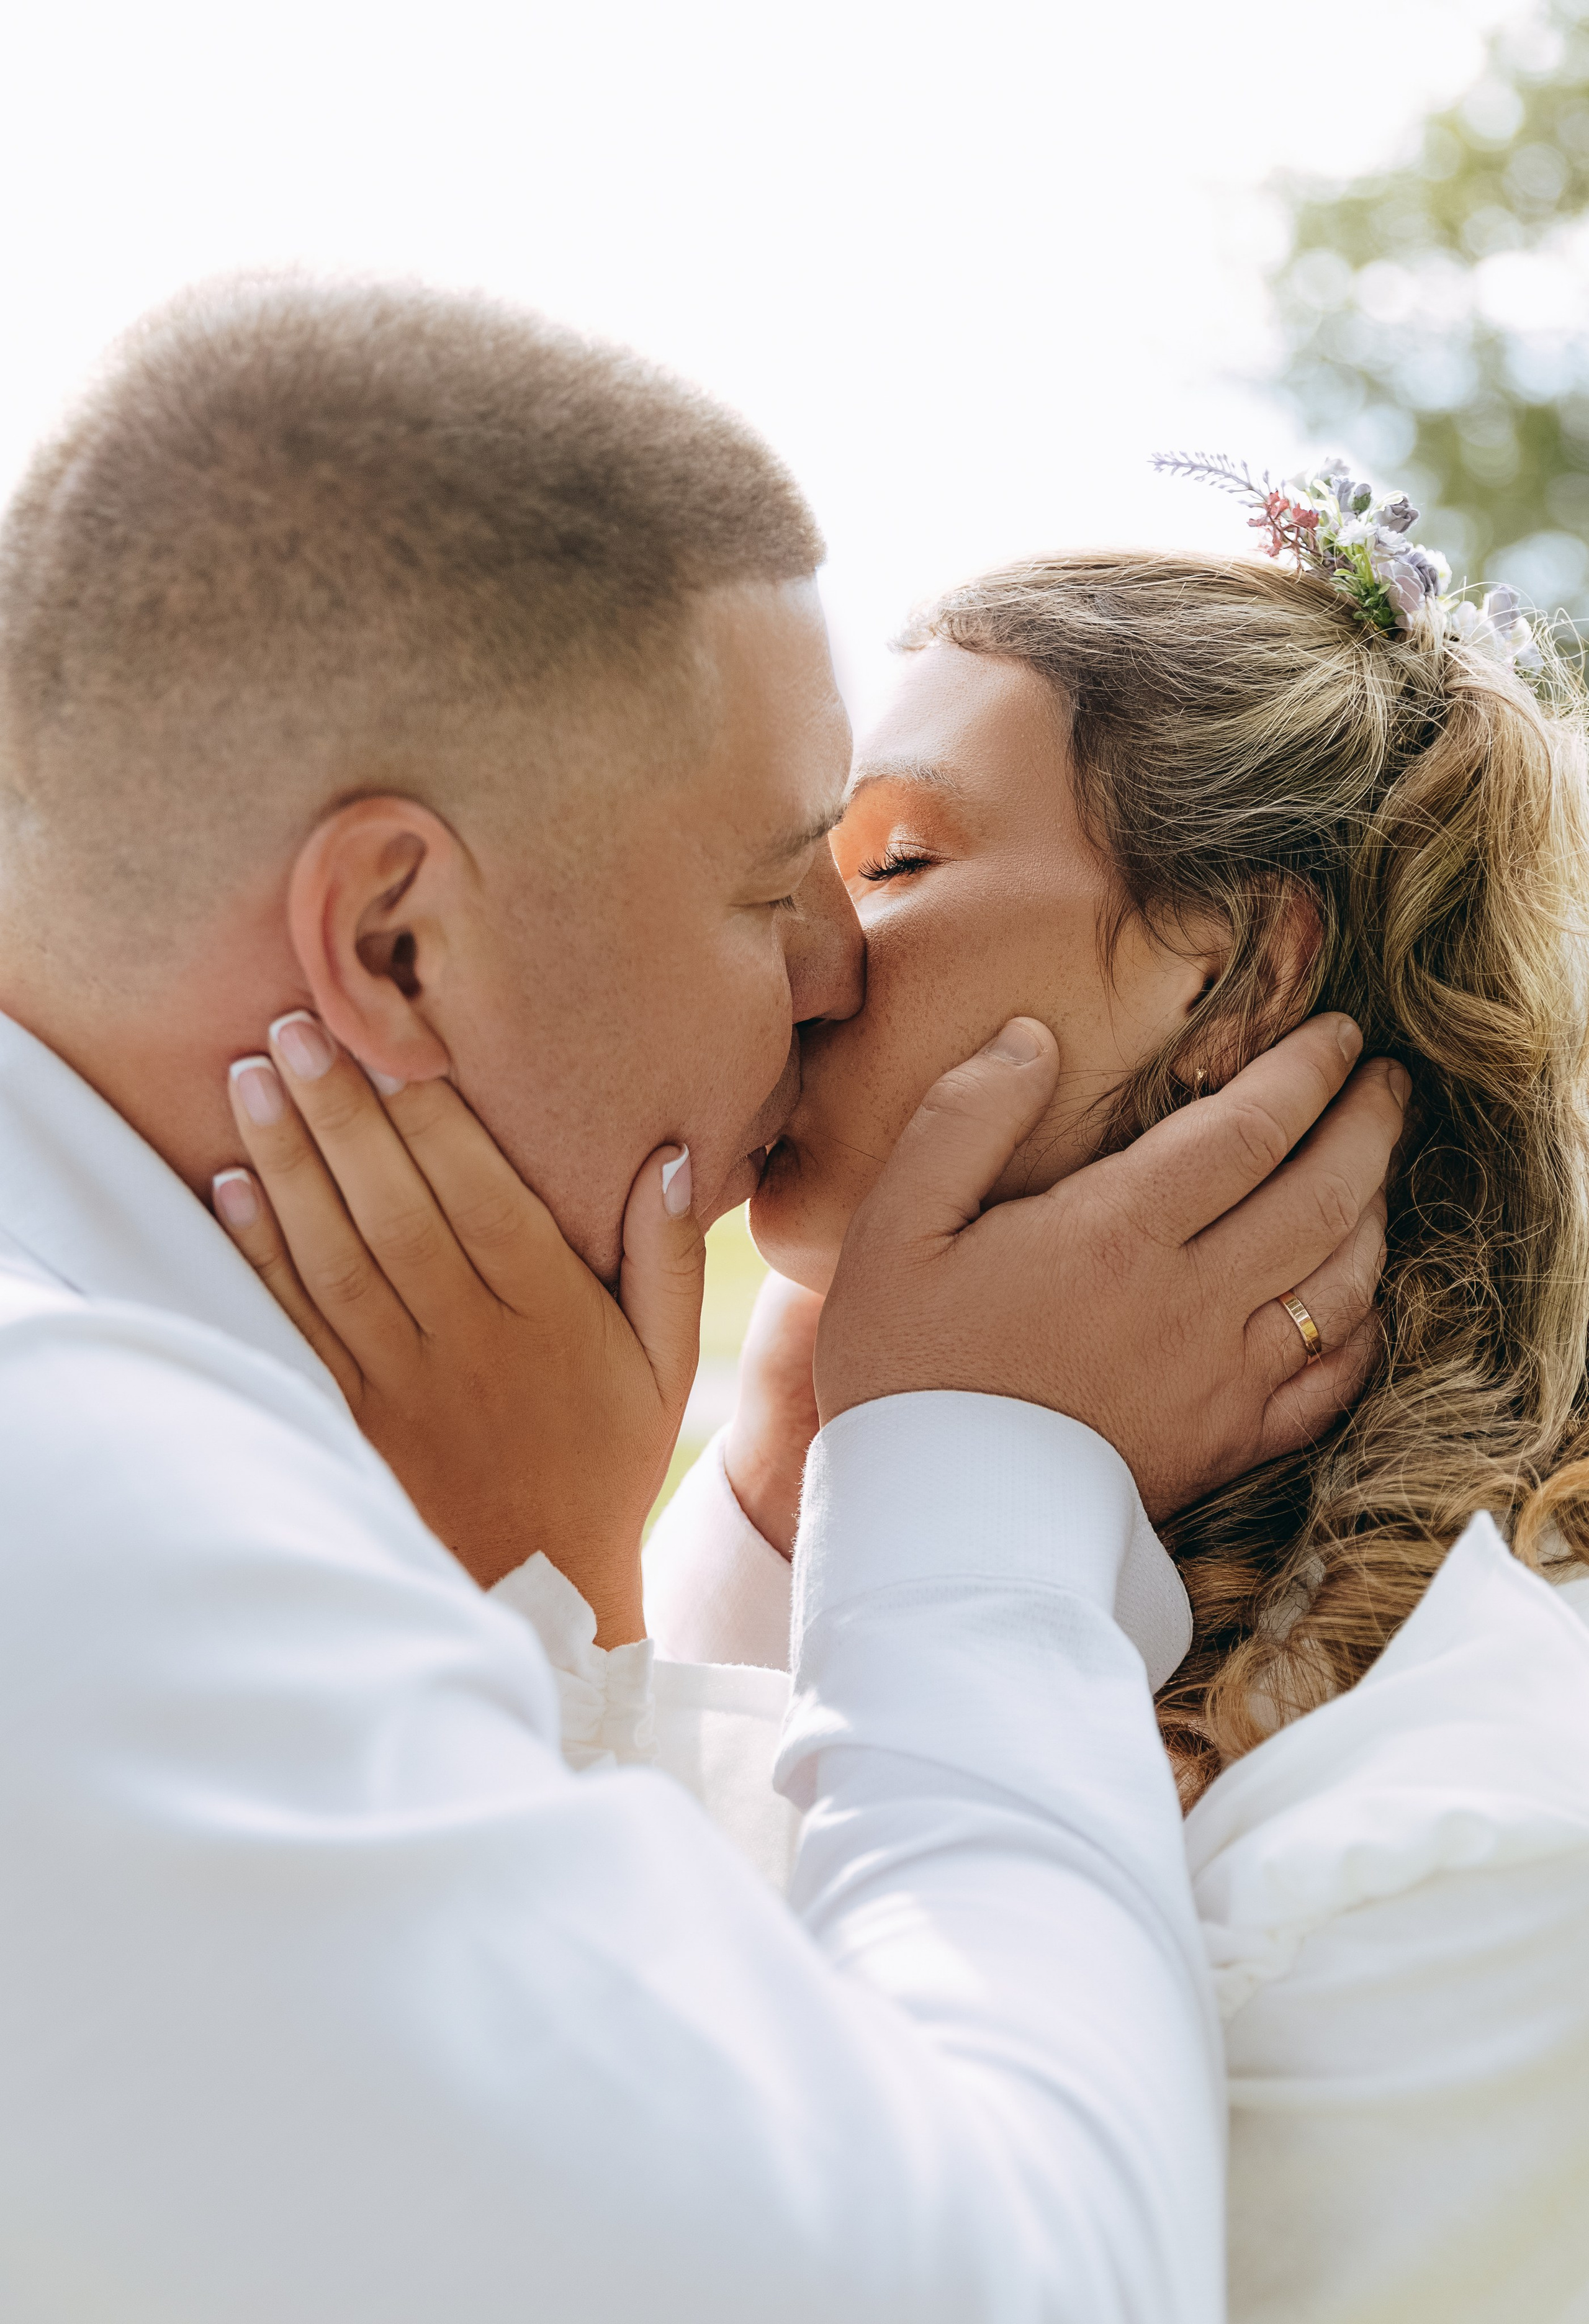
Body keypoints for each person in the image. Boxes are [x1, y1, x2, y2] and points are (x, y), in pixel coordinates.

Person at [0, 276, 1401, 2321]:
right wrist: (982, 1504)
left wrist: (542, 1608)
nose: (839, 981)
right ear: (395, 946)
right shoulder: (96, 1534)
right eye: (778, 890)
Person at [238, 489, 1589, 2320]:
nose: (804, 966)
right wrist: (671, 1552)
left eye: (894, 864)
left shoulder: (1471, 1853)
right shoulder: (813, 1500)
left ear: (1238, 966)